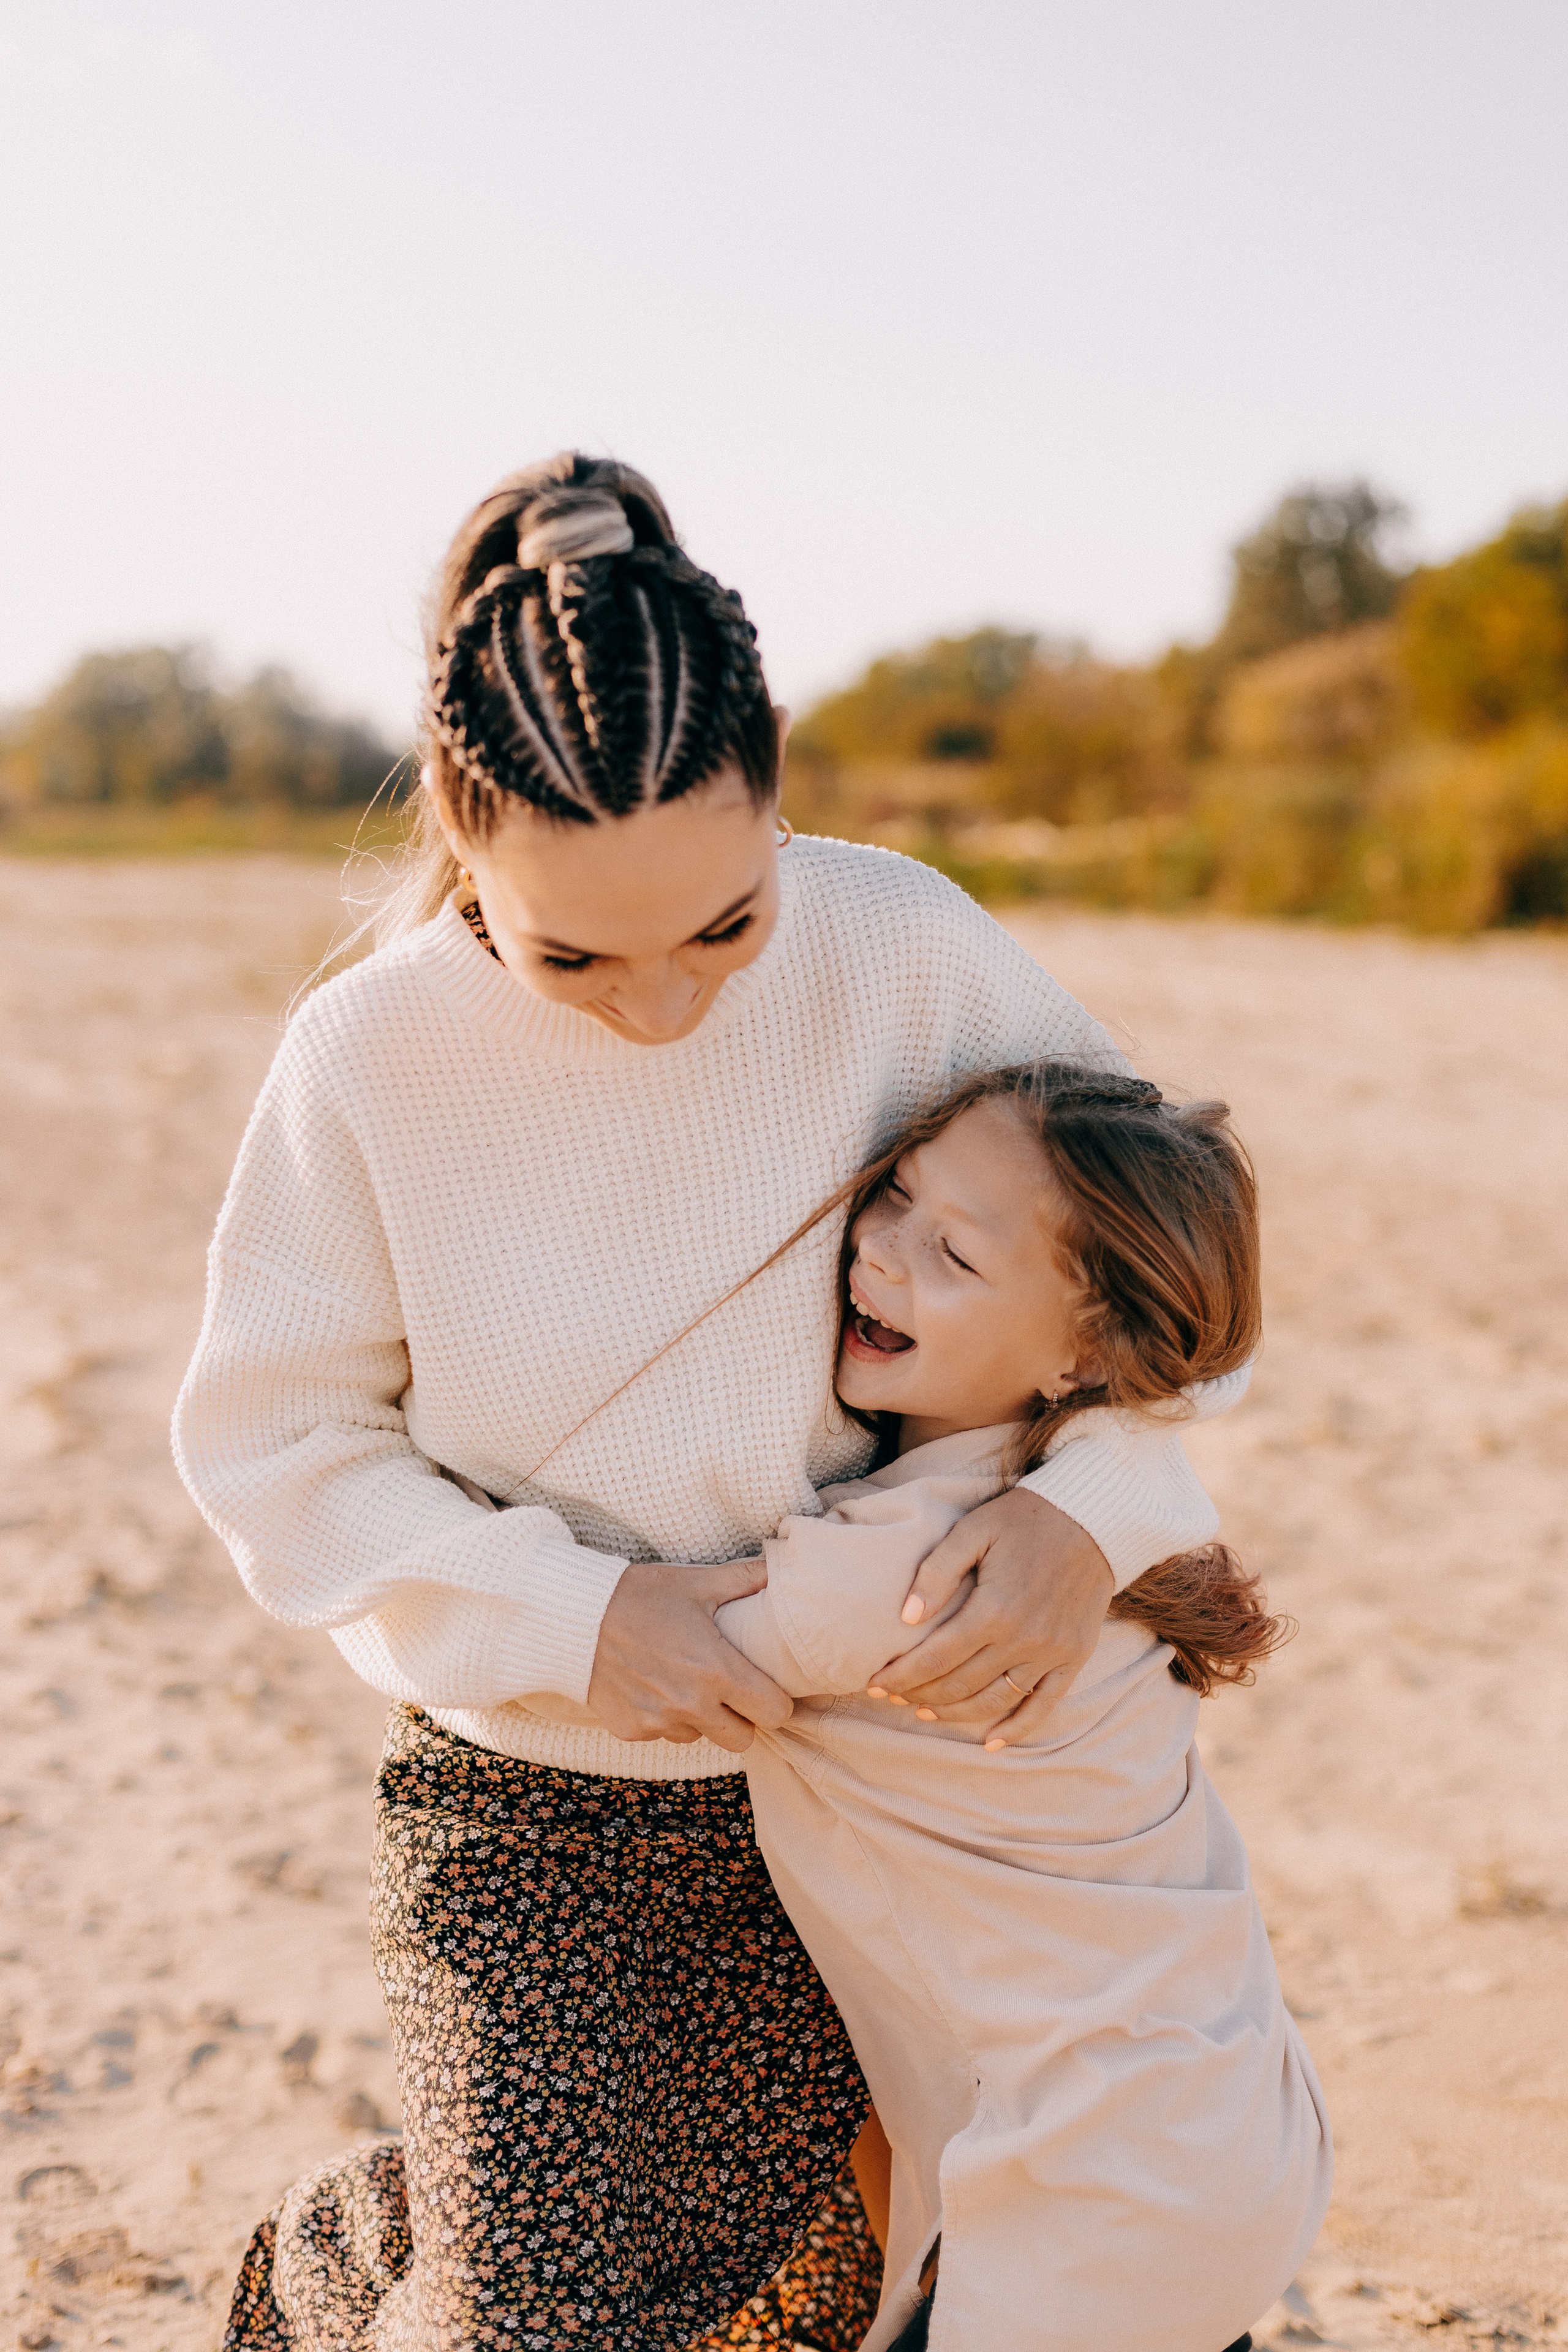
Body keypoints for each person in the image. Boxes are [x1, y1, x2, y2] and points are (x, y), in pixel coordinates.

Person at [175, 453, 1245, 2350]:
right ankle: (357, 2262)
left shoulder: (905, 940)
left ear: (776, 795)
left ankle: (457, 2212)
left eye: (726, 929)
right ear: (459, 822)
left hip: (889, 1790)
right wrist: (583, 1617)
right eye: (575, 953)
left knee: (843, 2288)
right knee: (541, 2324)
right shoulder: (365, 1055)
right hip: (541, 1800)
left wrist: (1097, 1517)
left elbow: (1165, 1265)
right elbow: (276, 1444)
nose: (664, 1005)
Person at [707, 1061, 1331, 2352]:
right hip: (1233, 2115)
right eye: (888, 1196)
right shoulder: (1093, 1540)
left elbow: (633, 1655)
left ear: (1082, 1355)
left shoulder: (908, 1578)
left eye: (950, 1254)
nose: (873, 1252)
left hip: (1096, 2182)